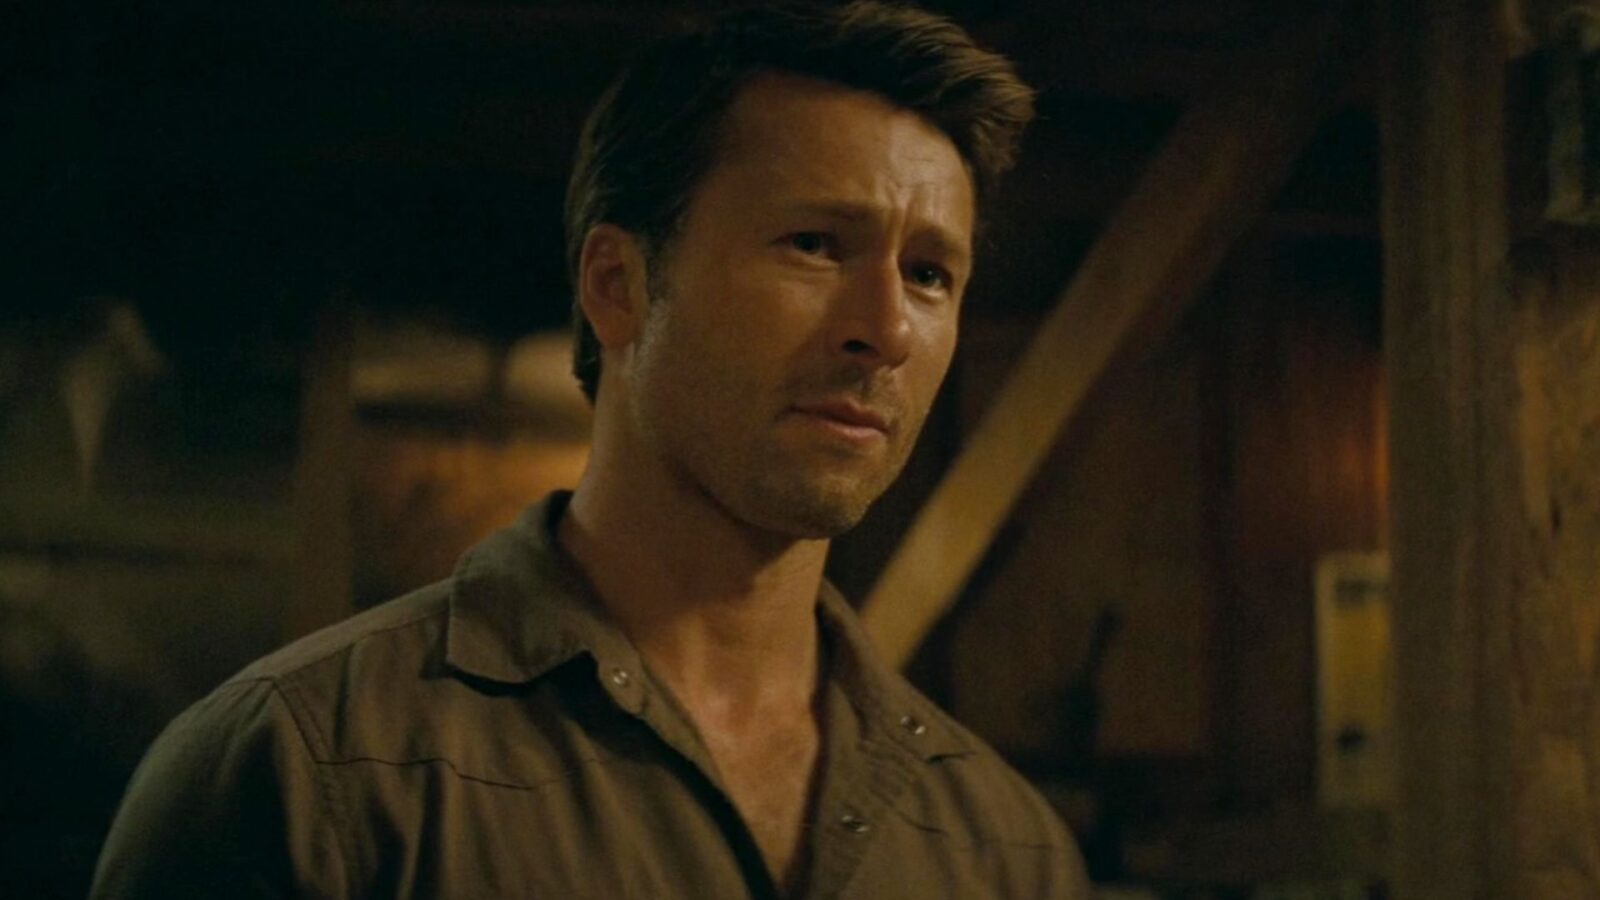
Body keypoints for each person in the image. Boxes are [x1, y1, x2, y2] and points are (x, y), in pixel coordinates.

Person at [91, 3, 1091, 897]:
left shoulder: (1004, 852)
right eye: (815, 245)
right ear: (618, 285)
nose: (889, 329)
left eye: (929, 274)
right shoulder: (309, 779)